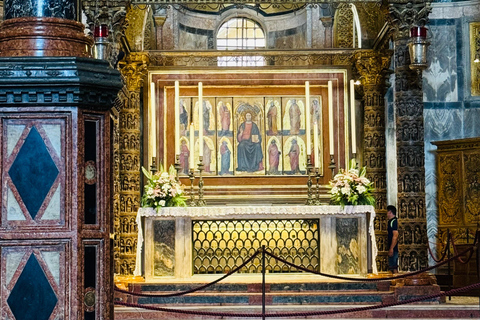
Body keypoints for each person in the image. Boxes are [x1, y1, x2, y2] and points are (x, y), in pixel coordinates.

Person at [387, 205, 399, 274]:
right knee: (391, 266)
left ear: (390, 212)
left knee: (393, 267)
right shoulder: (390, 221)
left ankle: (397, 281)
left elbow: (395, 235)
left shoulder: (394, 221)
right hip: (391, 248)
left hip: (394, 249)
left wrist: (391, 248)